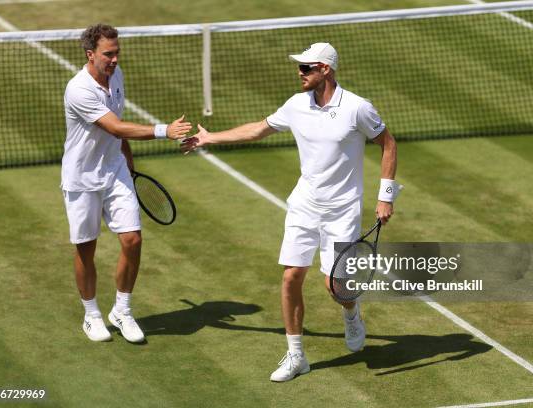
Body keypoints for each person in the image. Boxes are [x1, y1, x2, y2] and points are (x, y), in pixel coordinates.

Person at [181, 42, 399, 381]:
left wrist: (385, 197)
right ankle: (296, 355)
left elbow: (388, 143)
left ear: (325, 69)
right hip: (304, 205)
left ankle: (351, 311)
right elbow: (258, 129)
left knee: (335, 287)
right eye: (300, 67)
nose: (300, 73)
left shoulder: (357, 108)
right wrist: (211, 138)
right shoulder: (296, 105)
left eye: (306, 68)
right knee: (290, 276)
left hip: (342, 212)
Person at [61, 24, 191, 343]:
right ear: (90, 54)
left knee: (132, 240)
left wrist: (128, 162)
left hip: (116, 169)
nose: (115, 59)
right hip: (82, 179)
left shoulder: (116, 76)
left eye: (117, 52)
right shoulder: (79, 90)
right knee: (86, 249)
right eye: (108, 54)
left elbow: (117, 129)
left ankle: (122, 310)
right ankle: (91, 315)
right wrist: (163, 131)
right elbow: (115, 126)